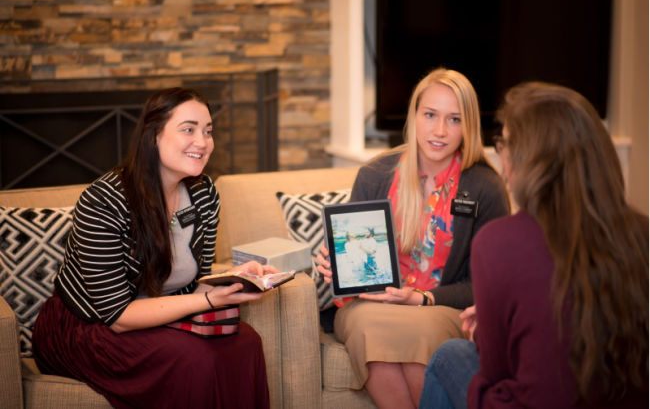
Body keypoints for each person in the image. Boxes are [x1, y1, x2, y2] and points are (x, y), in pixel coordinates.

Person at [32, 87, 274, 409]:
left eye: (208, 131)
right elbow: (117, 316)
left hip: (160, 315)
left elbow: (194, 282)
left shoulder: (203, 194)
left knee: (246, 342)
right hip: (90, 327)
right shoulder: (105, 201)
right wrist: (207, 298)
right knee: (194, 359)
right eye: (188, 129)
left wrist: (234, 277)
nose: (202, 142)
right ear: (153, 136)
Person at [419, 82, 649, 409]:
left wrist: (488, 328)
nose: (502, 154)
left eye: (506, 143)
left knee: (450, 355)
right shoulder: (642, 235)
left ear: (530, 160)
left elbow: (497, 370)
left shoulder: (500, 242)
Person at [316, 68, 510, 409]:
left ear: (469, 126)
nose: (439, 131)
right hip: (370, 305)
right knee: (369, 325)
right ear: (414, 116)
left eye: (453, 119)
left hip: (440, 307)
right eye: (430, 115)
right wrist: (336, 264)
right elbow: (352, 258)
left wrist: (420, 299)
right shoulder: (376, 174)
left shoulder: (485, 187)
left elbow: (488, 286)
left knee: (421, 331)